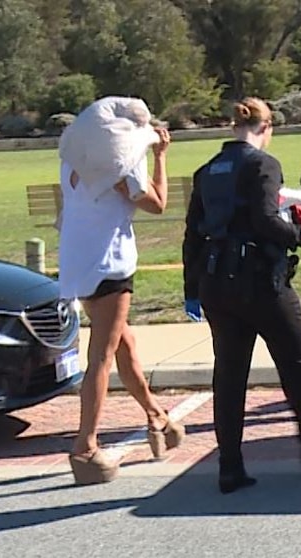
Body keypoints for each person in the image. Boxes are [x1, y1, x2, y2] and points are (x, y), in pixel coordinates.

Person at [182, 97, 301, 494]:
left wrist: (192, 290)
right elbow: (264, 220)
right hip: (260, 280)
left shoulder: (206, 171)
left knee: (229, 375)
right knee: (300, 359)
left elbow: (193, 234)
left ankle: (230, 466)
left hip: (215, 281)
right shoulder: (262, 164)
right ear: (267, 128)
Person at [59, 121, 185, 485]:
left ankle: (156, 416)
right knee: (101, 355)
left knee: (122, 343)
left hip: (80, 262)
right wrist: (160, 157)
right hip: (110, 263)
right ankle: (85, 446)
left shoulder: (73, 160)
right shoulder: (118, 163)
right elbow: (157, 203)